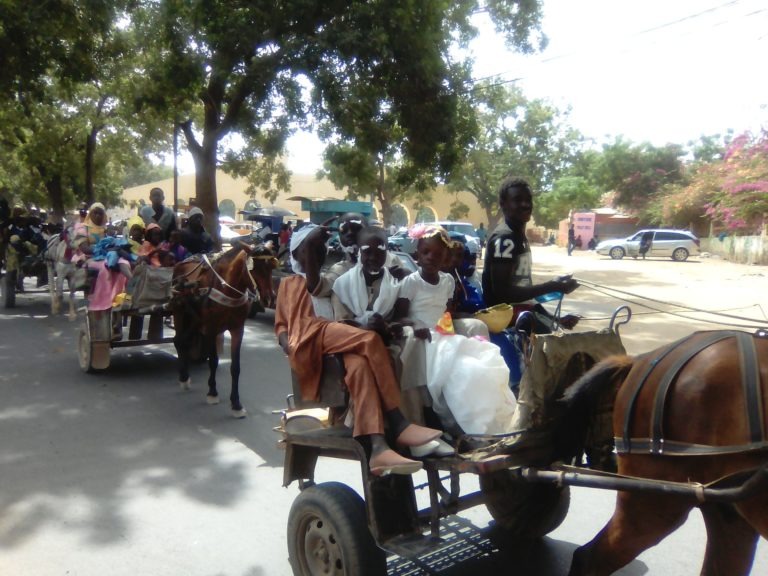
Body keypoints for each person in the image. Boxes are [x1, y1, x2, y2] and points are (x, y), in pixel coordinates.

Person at [274, 223, 442, 476]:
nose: (318, 254)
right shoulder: (291, 284)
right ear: (298, 254)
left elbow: (336, 295)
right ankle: (398, 421)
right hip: (313, 336)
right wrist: (291, 346)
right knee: (369, 340)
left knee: (361, 366)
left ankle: (378, 448)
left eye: (321, 249)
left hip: (338, 339)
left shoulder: (335, 277)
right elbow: (282, 327)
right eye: (311, 250)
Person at [392, 225, 516, 435]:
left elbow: (446, 312)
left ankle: (488, 424)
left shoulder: (448, 281)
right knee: (460, 372)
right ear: (416, 256)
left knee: (477, 366)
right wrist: (415, 324)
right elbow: (400, 315)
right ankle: (464, 426)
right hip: (422, 337)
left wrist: (455, 324)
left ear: (445, 259)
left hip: (443, 337)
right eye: (426, 253)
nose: (431, 258)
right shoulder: (412, 283)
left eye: (438, 255)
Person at [482, 177, 580, 333]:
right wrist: (552, 286)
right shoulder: (505, 239)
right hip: (507, 319)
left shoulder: (518, 236)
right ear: (503, 205)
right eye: (517, 200)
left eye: (528, 200)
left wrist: (555, 319)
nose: (525, 205)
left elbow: (525, 296)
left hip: (522, 312)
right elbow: (502, 294)